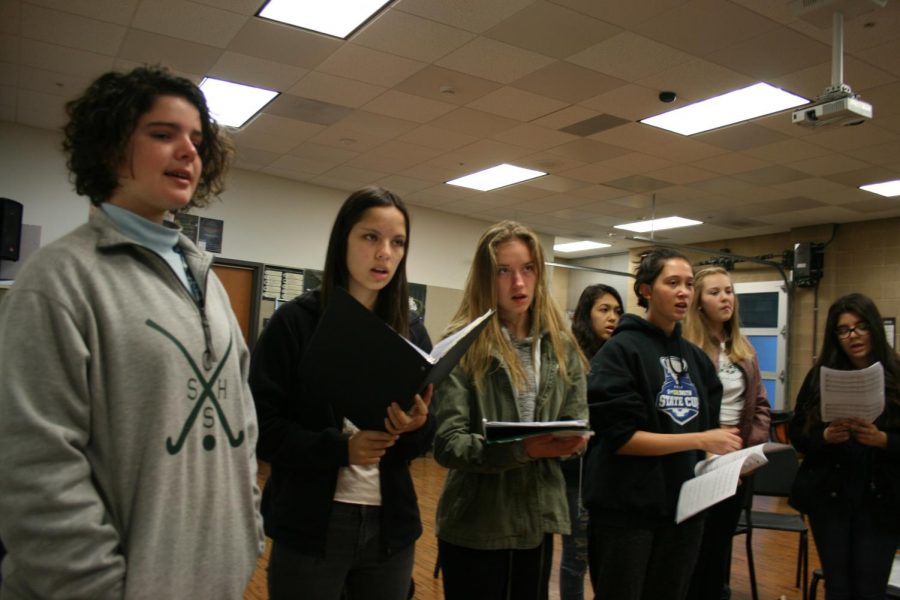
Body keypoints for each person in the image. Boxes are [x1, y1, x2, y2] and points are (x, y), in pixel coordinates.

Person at [0, 65, 264, 598]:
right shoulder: (57, 280)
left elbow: (244, 427)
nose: (189, 151)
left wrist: (245, 533)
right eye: (163, 134)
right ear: (110, 147)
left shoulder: (207, 284)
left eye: (196, 138)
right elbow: (36, 465)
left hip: (213, 580)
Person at [249, 187, 435, 600]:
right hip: (312, 526)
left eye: (397, 242)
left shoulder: (411, 330)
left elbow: (425, 438)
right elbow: (262, 428)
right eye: (371, 237)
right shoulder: (294, 323)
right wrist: (340, 450)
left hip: (390, 529)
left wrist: (416, 426)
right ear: (343, 242)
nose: (384, 253)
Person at [433, 220, 589, 600]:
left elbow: (578, 420)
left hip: (535, 523)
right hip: (475, 525)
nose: (518, 284)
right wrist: (523, 449)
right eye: (504, 271)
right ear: (486, 277)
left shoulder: (561, 347)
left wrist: (573, 441)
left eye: (527, 269)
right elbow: (448, 445)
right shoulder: (462, 345)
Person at [584, 248, 741, 600]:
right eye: (673, 283)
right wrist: (700, 438)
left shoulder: (696, 359)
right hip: (627, 513)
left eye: (688, 284)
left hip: (683, 512)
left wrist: (727, 458)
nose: (684, 291)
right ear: (646, 291)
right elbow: (622, 439)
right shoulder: (619, 352)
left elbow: (706, 435)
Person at [788, 293, 900, 600]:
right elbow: (797, 433)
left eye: (861, 326)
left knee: (869, 587)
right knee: (838, 586)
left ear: (874, 328)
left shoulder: (897, 374)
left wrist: (884, 440)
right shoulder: (818, 376)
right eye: (844, 329)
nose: (853, 336)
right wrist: (824, 437)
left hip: (882, 498)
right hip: (831, 495)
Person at [682, 267, 771, 600]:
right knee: (693, 546)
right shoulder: (685, 347)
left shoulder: (743, 347)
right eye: (714, 292)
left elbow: (760, 406)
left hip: (735, 462)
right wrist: (706, 443)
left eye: (729, 291)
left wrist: (746, 454)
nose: (725, 298)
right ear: (699, 303)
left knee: (719, 545)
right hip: (696, 458)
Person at [561, 284, 624, 600]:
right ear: (586, 314)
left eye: (617, 311)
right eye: (604, 310)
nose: (612, 317)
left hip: (613, 471)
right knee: (576, 556)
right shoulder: (572, 357)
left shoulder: (620, 356)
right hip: (579, 473)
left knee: (606, 555)